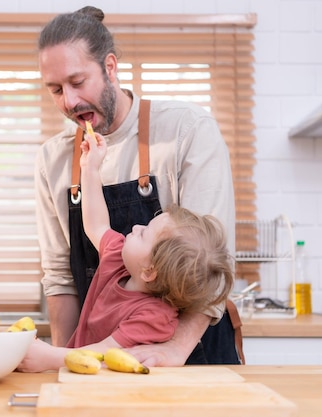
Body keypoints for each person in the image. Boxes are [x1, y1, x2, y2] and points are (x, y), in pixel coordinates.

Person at [34, 6, 240, 365]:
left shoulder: (186, 131)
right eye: (55, 89)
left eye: (78, 82)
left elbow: (211, 265)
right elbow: (61, 280)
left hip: (196, 359)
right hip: (99, 365)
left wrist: (173, 350)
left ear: (110, 67)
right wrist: (60, 365)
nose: (68, 102)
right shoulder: (53, 160)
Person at [19, 125, 233, 372]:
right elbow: (96, 224)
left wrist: (50, 357)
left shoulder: (154, 317)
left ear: (149, 271)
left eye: (144, 233)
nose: (136, 226)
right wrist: (90, 168)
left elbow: (104, 352)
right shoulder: (117, 259)